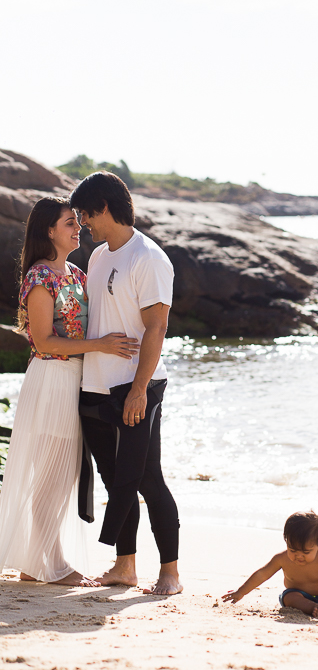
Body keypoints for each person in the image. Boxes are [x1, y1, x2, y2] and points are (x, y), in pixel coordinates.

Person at [0, 197, 139, 586]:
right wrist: (101, 346)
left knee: (61, 477)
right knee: (51, 476)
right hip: (50, 380)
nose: (77, 228)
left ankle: (35, 563)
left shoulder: (77, 274)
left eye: (78, 222)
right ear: (49, 231)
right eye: (68, 223)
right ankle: (52, 563)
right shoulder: (40, 276)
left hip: (74, 381)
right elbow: (43, 341)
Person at [70, 172, 181, 596]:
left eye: (84, 214)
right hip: (96, 384)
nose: (82, 223)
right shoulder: (98, 256)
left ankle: (170, 572)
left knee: (147, 478)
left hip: (137, 386)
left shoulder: (148, 257)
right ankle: (125, 566)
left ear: (104, 207)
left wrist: (139, 388)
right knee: (114, 476)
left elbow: (157, 327)